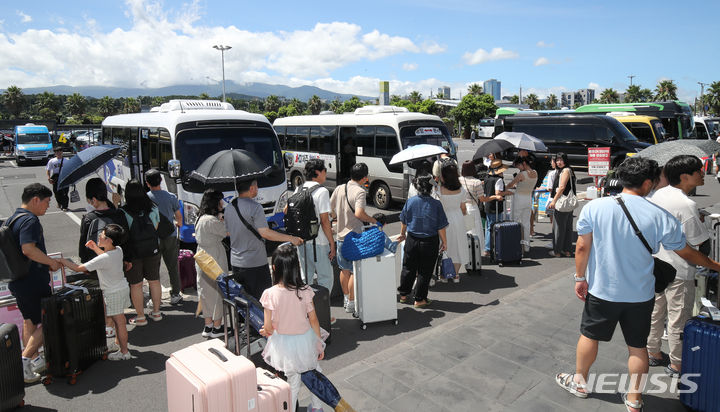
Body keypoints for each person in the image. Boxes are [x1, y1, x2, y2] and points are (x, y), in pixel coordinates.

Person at [555, 157, 720, 412]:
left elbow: (582, 247)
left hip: (602, 290)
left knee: (590, 336)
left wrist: (580, 278)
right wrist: (715, 265)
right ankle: (634, 399)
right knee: (637, 346)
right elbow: (686, 252)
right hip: (640, 294)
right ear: (647, 183)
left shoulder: (595, 207)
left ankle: (580, 382)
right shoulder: (660, 215)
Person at [647, 155, 710, 377]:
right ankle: (677, 364)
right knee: (678, 319)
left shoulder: (659, 194)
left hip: (656, 264)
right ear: (685, 176)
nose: (703, 174)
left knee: (656, 312)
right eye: (699, 171)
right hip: (679, 269)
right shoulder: (686, 204)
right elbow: (700, 243)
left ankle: (653, 352)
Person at [6, 183, 62, 383]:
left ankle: (34, 360)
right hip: (33, 281)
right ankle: (24, 361)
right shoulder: (30, 220)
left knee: (30, 320)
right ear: (35, 199)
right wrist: (51, 262)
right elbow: (28, 249)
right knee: (50, 321)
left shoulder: (13, 218)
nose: (48, 206)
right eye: (47, 202)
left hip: (18, 280)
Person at [259, 244, 325, 412]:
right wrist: (319, 344)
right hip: (305, 341)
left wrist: (265, 330)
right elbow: (314, 320)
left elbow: (269, 328)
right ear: (296, 267)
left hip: (284, 345)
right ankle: (317, 408)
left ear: (274, 267)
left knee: (292, 383)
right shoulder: (304, 290)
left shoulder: (270, 293)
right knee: (316, 376)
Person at [59, 224, 132, 361]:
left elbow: (78, 268)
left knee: (119, 322)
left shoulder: (104, 258)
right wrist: (95, 248)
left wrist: (61, 260)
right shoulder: (119, 250)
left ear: (109, 240)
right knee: (119, 321)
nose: (99, 236)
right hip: (122, 287)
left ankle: (124, 352)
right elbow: (105, 257)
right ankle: (119, 345)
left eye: (102, 235)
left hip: (113, 292)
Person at [225, 179, 303, 301]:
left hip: (235, 262)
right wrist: (291, 239)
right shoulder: (255, 207)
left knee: (243, 302)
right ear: (251, 188)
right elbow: (265, 233)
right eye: (256, 186)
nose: (257, 189)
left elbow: (228, 232)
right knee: (262, 303)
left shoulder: (230, 207)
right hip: (255, 263)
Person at [79, 177, 131, 338]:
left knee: (103, 294)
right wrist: (127, 258)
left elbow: (83, 243)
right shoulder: (117, 213)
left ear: (93, 199)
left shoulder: (89, 218)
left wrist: (85, 260)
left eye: (89, 199)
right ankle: (112, 324)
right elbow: (126, 237)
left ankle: (108, 324)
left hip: (96, 262)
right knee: (113, 291)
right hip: (116, 260)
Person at [329, 163, 377, 314]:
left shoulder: (339, 188)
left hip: (341, 237)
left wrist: (337, 219)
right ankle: (351, 301)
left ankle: (345, 298)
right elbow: (359, 214)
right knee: (355, 271)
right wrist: (373, 220)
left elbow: (330, 209)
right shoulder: (360, 192)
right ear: (364, 177)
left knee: (344, 270)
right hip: (355, 237)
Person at [396, 174, 448, 308]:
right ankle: (419, 299)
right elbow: (441, 226)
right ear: (431, 188)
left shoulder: (411, 201)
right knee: (425, 271)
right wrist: (444, 242)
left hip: (412, 239)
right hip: (429, 241)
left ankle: (403, 294)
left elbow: (404, 220)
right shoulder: (436, 204)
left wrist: (402, 234)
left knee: (408, 267)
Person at [120, 179, 163, 326]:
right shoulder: (153, 208)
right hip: (152, 250)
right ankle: (156, 312)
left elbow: (122, 233)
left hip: (134, 253)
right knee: (155, 281)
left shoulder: (124, 211)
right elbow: (156, 228)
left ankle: (140, 317)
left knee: (136, 285)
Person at [293, 159, 336, 293]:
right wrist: (332, 243)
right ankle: (321, 312)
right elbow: (324, 221)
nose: (325, 174)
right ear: (317, 172)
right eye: (324, 171)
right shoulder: (322, 192)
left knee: (306, 278)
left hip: (301, 241)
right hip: (319, 241)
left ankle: (307, 311)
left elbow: (287, 210)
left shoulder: (299, 188)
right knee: (326, 278)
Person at [194, 189, 229, 339]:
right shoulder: (212, 220)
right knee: (218, 290)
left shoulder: (200, 218)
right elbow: (226, 232)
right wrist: (222, 219)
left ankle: (208, 325)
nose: (222, 203)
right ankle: (217, 326)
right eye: (220, 200)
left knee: (205, 291)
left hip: (201, 256)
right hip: (215, 256)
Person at [145, 169, 184, 305]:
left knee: (153, 269)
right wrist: (177, 224)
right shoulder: (171, 196)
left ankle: (155, 298)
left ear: (147, 183)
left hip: (153, 238)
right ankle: (175, 294)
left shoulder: (146, 198)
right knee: (173, 267)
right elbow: (179, 217)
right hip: (170, 236)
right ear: (161, 180)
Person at [437, 160, 469, 281]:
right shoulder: (462, 190)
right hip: (458, 218)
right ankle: (456, 274)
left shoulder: (439, 190)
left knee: (445, 246)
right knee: (459, 245)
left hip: (444, 220)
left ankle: (445, 274)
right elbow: (463, 209)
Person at [482, 153, 512, 256]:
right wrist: (507, 192)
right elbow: (498, 193)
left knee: (488, 227)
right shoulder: (498, 180)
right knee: (494, 226)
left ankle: (487, 248)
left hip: (487, 204)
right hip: (495, 206)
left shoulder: (487, 178)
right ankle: (490, 247)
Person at [459, 161, 494, 246]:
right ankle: (475, 253)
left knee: (466, 231)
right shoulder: (476, 182)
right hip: (472, 208)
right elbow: (482, 199)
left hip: (462, 207)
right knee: (474, 232)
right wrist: (494, 197)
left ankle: (467, 252)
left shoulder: (459, 180)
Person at [507, 156, 538, 253]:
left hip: (519, 199)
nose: (519, 168)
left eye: (519, 166)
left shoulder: (521, 174)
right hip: (528, 199)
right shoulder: (535, 173)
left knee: (514, 221)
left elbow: (510, 185)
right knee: (526, 223)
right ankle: (526, 247)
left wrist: (513, 185)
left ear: (523, 163)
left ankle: (514, 245)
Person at [547, 152, 576, 257]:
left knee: (559, 227)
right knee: (568, 227)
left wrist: (554, 200)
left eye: (560, 160)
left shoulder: (565, 171)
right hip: (568, 202)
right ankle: (567, 250)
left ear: (565, 160)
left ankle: (557, 251)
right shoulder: (569, 170)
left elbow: (562, 187)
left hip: (562, 202)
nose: (558, 162)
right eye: (557, 160)